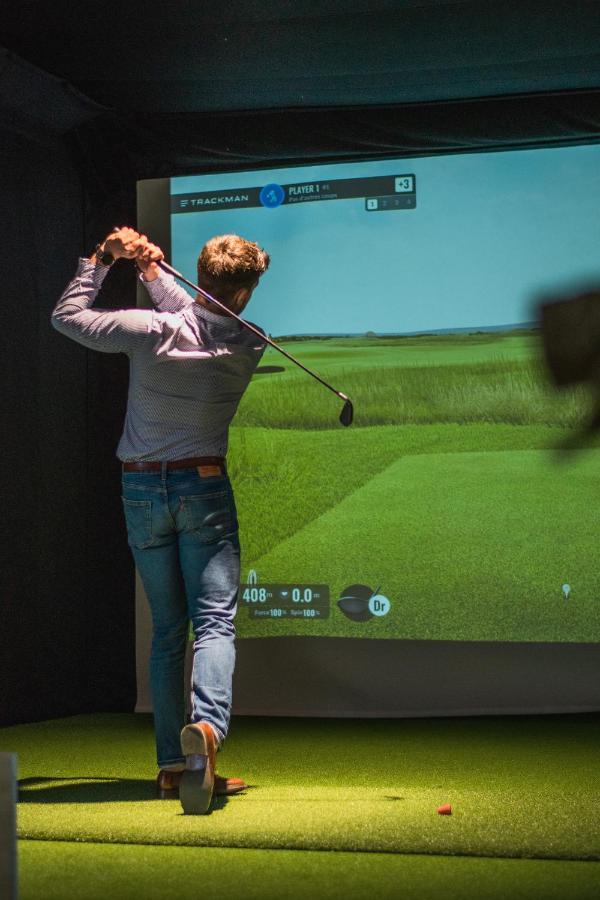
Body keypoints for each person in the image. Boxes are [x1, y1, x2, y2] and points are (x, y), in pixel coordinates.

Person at [52, 227, 270, 814]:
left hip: (141, 489)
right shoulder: (251, 341)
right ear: (247, 289)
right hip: (203, 488)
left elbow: (67, 317)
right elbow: (202, 318)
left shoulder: (148, 330)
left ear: (202, 277)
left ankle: (172, 769)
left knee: (170, 630)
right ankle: (207, 735)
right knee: (215, 624)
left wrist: (106, 259)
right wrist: (151, 270)